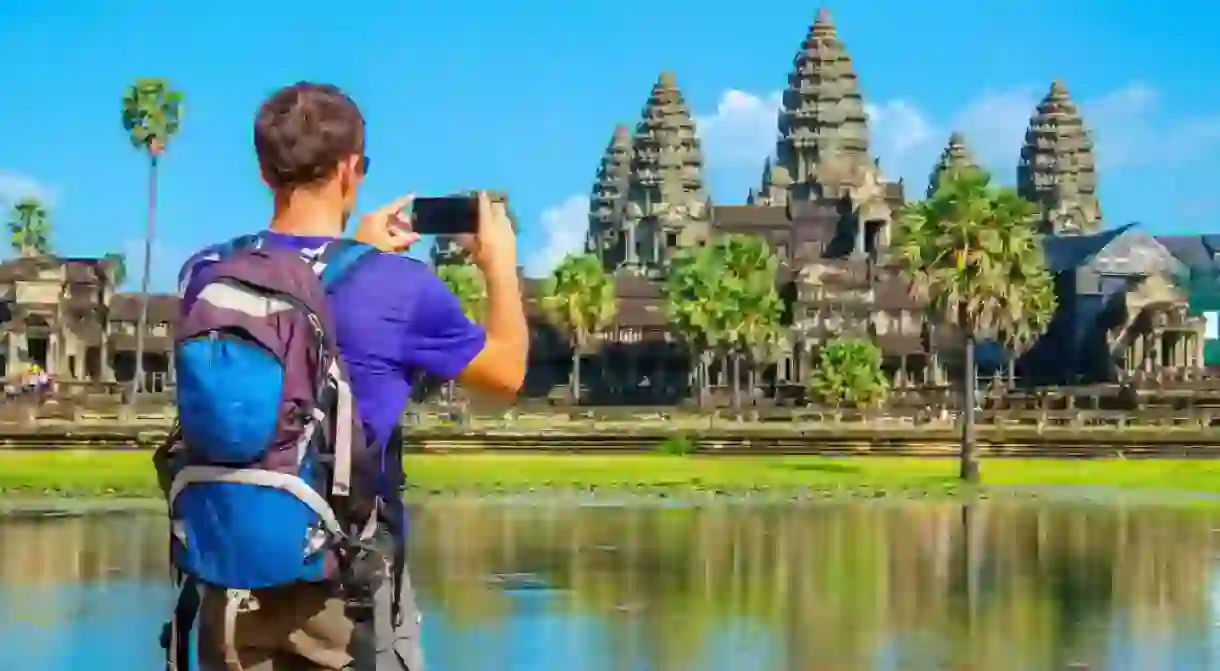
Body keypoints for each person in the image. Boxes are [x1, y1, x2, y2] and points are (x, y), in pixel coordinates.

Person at [175, 82, 528, 670]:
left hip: (224, 583)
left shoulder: (207, 274)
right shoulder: (397, 285)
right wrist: (501, 266)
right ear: (350, 169)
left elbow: (298, 291)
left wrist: (348, 252)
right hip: (344, 595)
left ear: (265, 173)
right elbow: (507, 374)